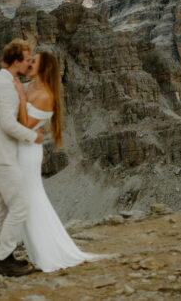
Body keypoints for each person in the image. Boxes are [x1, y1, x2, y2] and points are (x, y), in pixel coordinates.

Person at [13, 50, 108, 272]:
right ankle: (38, 253)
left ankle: (48, 255)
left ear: (44, 68)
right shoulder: (31, 86)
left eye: (33, 62)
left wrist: (19, 94)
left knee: (31, 199)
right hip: (20, 148)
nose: (29, 64)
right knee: (26, 199)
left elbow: (25, 124)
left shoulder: (46, 95)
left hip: (27, 153)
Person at [0, 39, 43, 277]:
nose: (29, 64)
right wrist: (31, 136)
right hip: (0, 155)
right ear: (16, 61)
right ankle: (6, 259)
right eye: (26, 60)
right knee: (20, 205)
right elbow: (6, 123)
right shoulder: (5, 86)